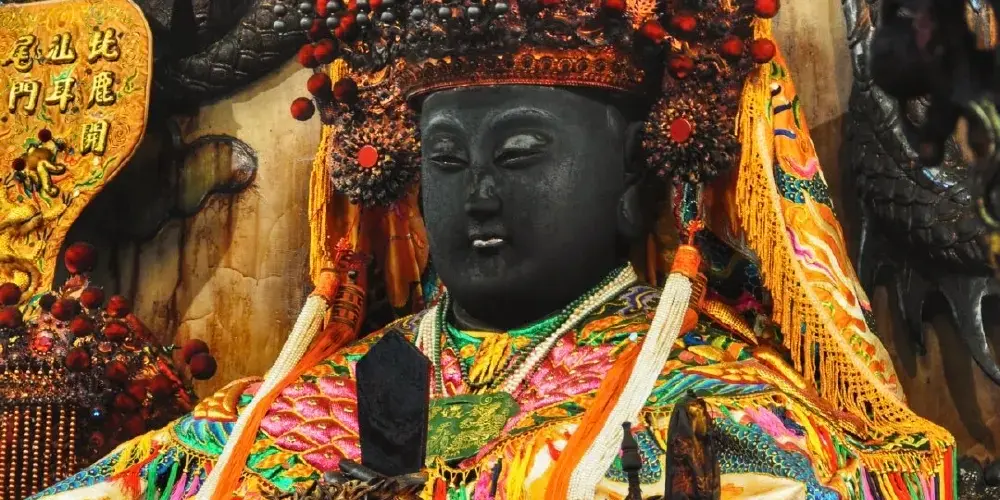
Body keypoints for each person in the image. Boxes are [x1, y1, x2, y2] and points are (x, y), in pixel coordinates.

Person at [33, 0, 956, 498]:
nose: (476, 192)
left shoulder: (720, 406)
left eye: (519, 154)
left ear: (634, 178)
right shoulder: (292, 410)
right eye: (445, 160)